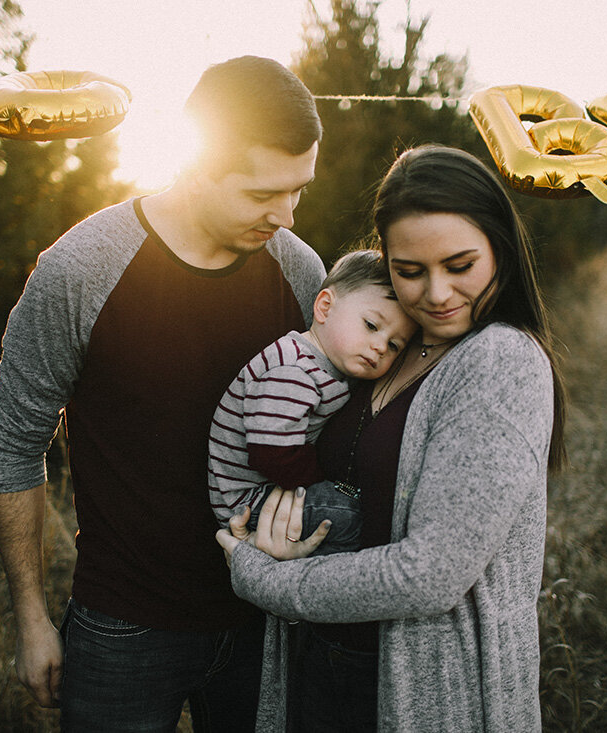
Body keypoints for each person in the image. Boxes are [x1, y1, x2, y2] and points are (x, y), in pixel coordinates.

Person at [0, 56, 325, 731]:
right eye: (263, 193)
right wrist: (31, 615)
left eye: (299, 190)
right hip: (123, 628)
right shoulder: (80, 270)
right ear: (195, 165)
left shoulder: (300, 270)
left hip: (265, 618)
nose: (285, 215)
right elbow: (15, 445)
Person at [217, 145, 568, 732]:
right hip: (317, 662)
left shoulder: (499, 360)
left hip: (429, 689)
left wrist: (271, 579)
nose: (435, 294)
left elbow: (432, 572)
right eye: (410, 271)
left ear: (500, 249)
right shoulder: (379, 345)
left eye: (460, 266)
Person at [208, 249, 416, 555]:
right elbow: (272, 452)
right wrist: (321, 481)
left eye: (395, 345)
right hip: (247, 499)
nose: (380, 346)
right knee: (352, 518)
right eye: (371, 326)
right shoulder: (295, 370)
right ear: (325, 307)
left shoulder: (328, 365)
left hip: (265, 490)